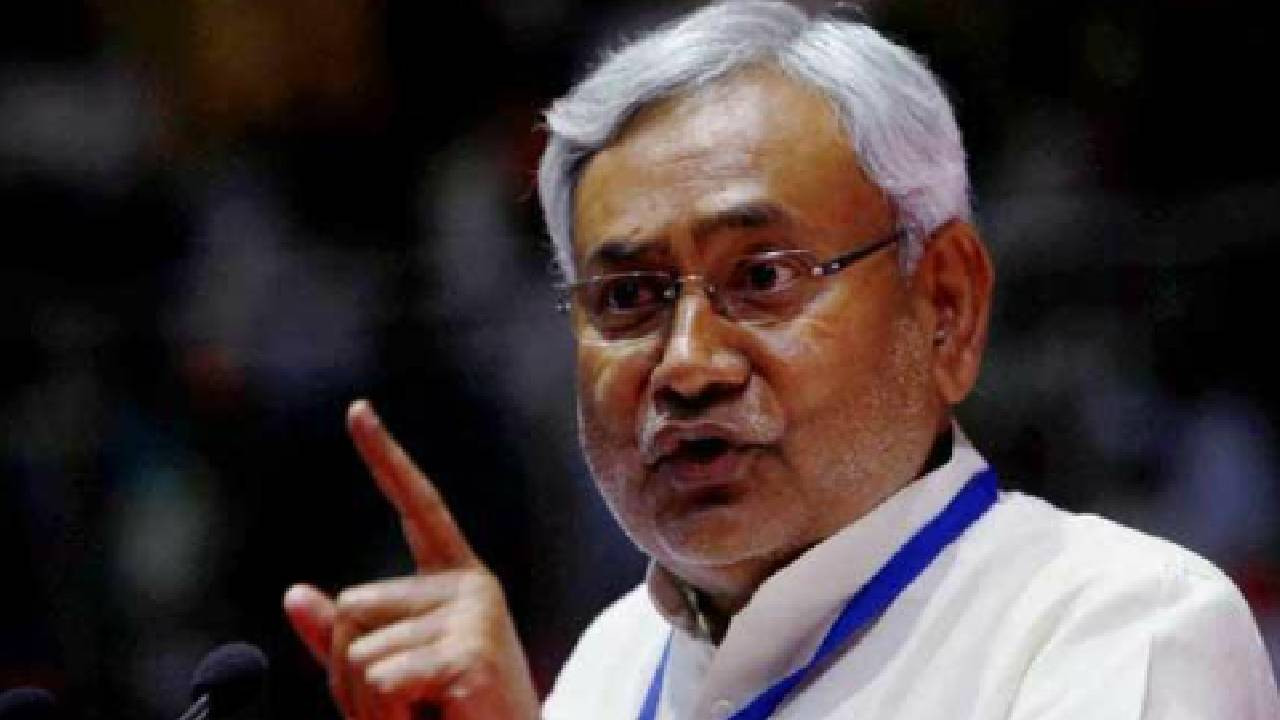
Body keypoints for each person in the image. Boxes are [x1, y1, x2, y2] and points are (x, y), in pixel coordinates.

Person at [281, 2, 1280, 718]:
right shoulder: (609, 667)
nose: (687, 364)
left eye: (762, 277)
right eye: (627, 298)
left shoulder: (1117, 624)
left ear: (945, 306)